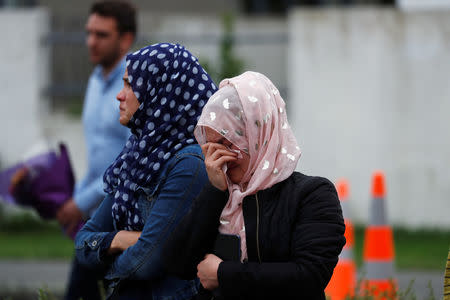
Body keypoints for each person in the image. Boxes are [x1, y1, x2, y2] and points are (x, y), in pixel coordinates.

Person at [163, 71, 346, 300]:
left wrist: (223, 273)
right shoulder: (221, 194)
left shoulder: (312, 195)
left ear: (258, 133)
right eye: (209, 146)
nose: (218, 157)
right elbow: (177, 263)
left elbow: (309, 275)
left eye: (225, 142)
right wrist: (214, 192)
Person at [75, 42, 218, 300]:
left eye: (131, 85)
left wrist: (108, 266)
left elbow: (149, 262)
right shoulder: (138, 154)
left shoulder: (190, 164)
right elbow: (82, 242)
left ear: (163, 92)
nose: (120, 95)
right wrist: (120, 239)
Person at [57, 2, 136, 299]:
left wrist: (81, 202)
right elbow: (98, 157)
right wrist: (76, 201)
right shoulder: (94, 81)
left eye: (101, 34)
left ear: (125, 39)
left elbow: (129, 161)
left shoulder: (134, 87)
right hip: (95, 219)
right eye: (89, 33)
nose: (91, 41)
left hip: (125, 219)